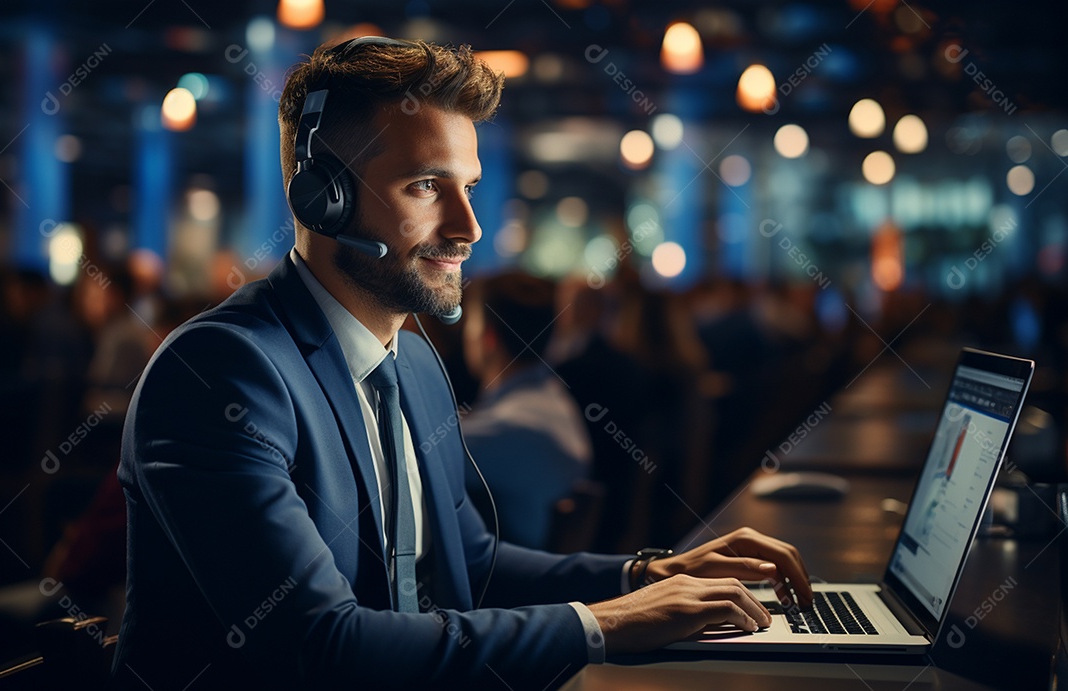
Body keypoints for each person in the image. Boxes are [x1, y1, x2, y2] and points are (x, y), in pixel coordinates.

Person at [111, 37, 812, 690]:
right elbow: (318, 644)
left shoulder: (412, 363)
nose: (468, 227)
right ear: (322, 197)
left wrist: (648, 573)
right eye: (426, 186)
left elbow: (469, 564)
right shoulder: (220, 371)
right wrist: (606, 625)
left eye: (468, 188)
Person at [460, 271, 592, 549]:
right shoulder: (549, 400)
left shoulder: (513, 427)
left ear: (488, 337)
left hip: (513, 586)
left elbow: (412, 458)